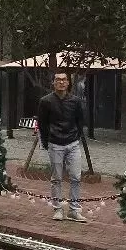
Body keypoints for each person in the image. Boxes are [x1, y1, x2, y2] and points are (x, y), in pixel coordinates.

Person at [37, 73, 86, 223]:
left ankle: (74, 210)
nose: (61, 82)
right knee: (56, 178)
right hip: (55, 143)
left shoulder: (75, 101)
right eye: (58, 79)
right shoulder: (45, 101)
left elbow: (80, 121)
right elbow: (42, 124)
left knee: (76, 177)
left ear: (68, 83)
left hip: (72, 143)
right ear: (53, 82)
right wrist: (46, 142)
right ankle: (58, 209)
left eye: (64, 80)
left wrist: (76, 136)